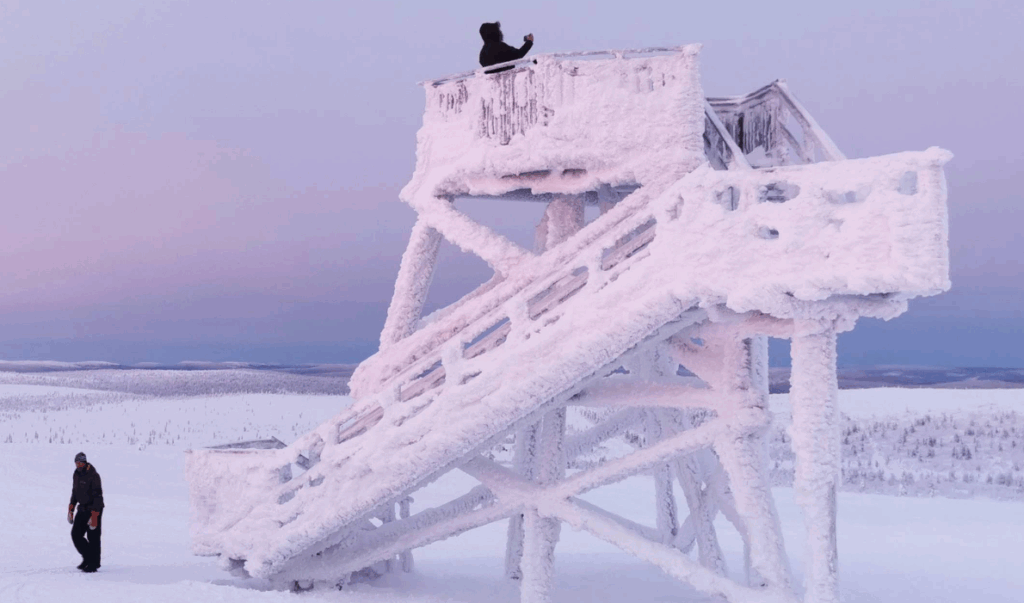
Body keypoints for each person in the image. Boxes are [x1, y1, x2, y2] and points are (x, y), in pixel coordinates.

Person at [68, 452, 104, 572]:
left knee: (93, 536)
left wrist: (94, 515)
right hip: (82, 508)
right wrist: (71, 507)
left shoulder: (93, 475)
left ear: (85, 462)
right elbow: (75, 491)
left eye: (80, 463)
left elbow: (98, 496)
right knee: (76, 535)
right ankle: (88, 558)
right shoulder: (76, 474)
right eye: (76, 463)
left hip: (94, 508)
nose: (78, 465)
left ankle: (93, 564)